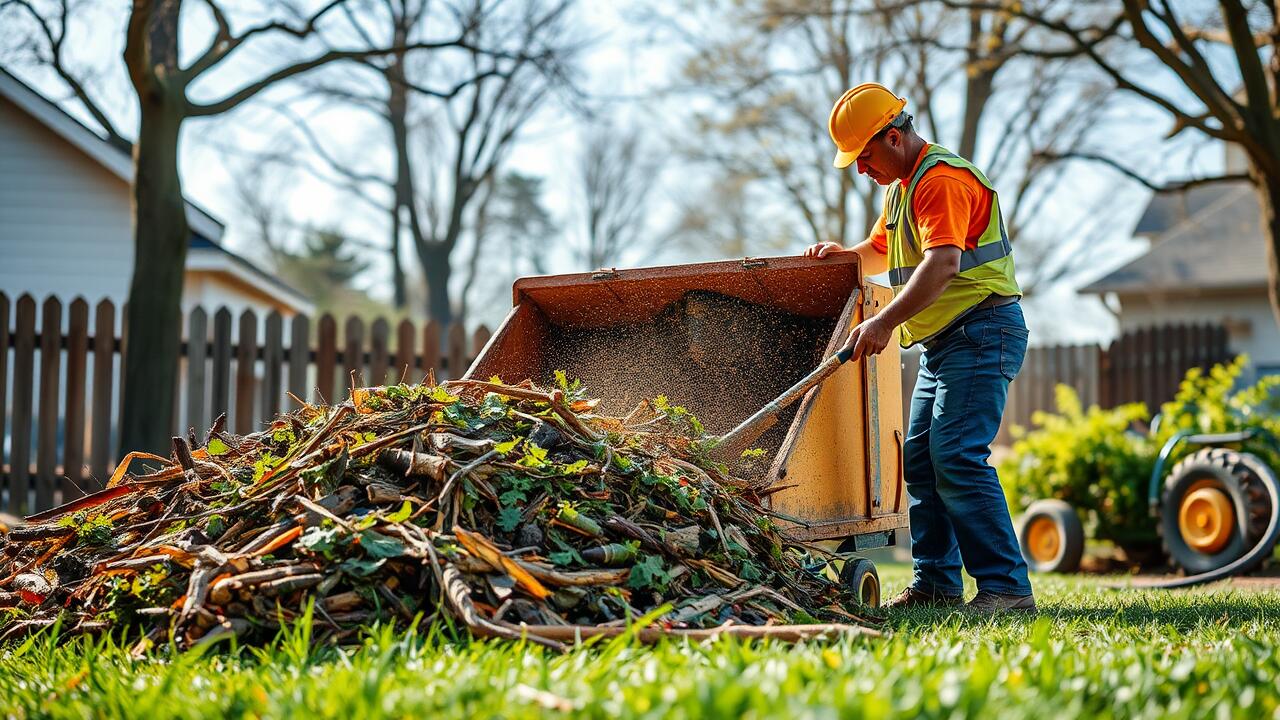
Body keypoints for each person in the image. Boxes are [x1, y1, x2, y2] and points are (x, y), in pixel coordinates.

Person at [805, 82, 1034, 613]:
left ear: (892, 137)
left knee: (956, 455)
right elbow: (879, 248)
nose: (862, 171)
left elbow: (943, 264)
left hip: (981, 330)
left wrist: (883, 322)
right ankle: (936, 584)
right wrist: (844, 257)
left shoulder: (941, 181)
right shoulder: (901, 189)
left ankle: (1006, 588)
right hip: (945, 343)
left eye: (864, 158)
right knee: (922, 461)